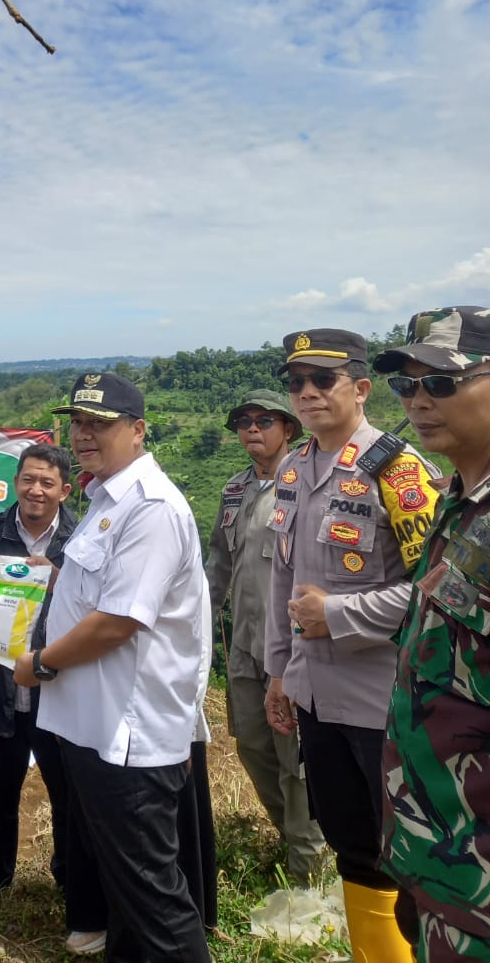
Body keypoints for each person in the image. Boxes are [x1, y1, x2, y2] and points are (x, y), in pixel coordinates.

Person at [16, 372, 211, 963]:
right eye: (77, 422)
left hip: (131, 740)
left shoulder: (150, 508)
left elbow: (116, 622)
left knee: (154, 901)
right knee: (126, 895)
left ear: (138, 430)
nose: (83, 434)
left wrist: (40, 665)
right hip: (95, 729)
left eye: (99, 423)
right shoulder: (106, 499)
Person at [263, 329, 441, 963]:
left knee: (407, 850)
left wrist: (338, 614)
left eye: (323, 380)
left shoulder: (400, 472)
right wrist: (279, 671)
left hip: (384, 703)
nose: (307, 393)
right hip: (316, 697)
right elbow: (282, 579)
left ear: (361, 388)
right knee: (350, 842)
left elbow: (439, 590)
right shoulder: (292, 467)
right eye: (296, 383)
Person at [0, 443, 108, 955]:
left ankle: (69, 877)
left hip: (58, 687)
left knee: (67, 792)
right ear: (15, 482)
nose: (35, 490)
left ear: (65, 491)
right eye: (28, 479)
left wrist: (57, 580)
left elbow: (99, 607)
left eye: (47, 483)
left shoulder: (82, 540)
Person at [373, 307, 490, 961]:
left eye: (441, 382)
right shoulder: (458, 503)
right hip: (440, 860)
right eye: (406, 385)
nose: (418, 401)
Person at [205, 389, 325, 884]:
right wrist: (200, 625)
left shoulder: (306, 488)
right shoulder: (235, 490)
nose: (252, 429)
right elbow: (218, 564)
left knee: (294, 760)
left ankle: (307, 870)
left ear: (288, 429)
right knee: (252, 746)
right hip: (243, 646)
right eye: (244, 422)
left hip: (292, 649)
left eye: (264, 420)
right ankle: (291, 836)